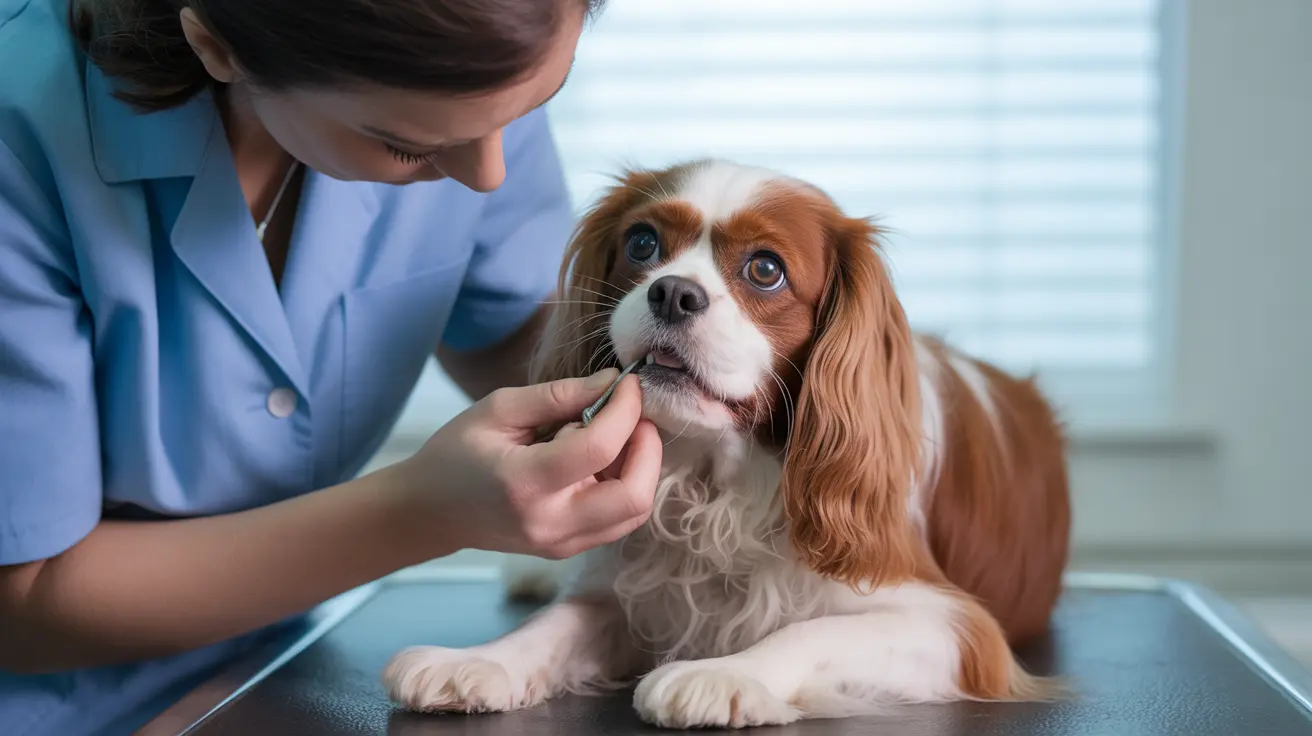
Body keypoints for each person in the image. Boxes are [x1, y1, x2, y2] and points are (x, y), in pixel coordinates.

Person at [0, 0, 663, 732]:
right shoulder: (20, 129)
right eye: (407, 147)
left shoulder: (483, 66)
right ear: (217, 47)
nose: (489, 176)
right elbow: (21, 600)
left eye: (532, 106)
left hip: (270, 672)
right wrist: (422, 512)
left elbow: (524, 341)